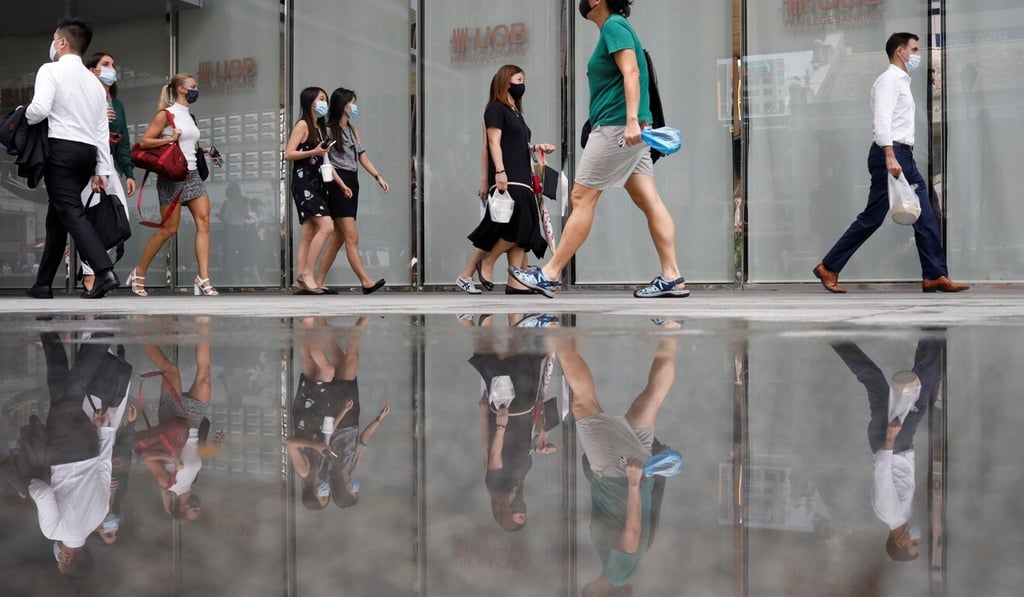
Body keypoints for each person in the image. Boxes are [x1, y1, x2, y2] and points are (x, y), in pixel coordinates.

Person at [510, 0, 688, 299]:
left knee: (581, 197)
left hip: (616, 129)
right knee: (649, 201)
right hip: (628, 129)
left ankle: (549, 274)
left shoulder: (614, 26)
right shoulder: (615, 28)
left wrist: (630, 122)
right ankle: (672, 276)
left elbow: (632, 72)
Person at [813, 33, 969, 294]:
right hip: (892, 153)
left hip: (902, 154)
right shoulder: (888, 81)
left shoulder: (902, 82)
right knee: (880, 216)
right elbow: (882, 121)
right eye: (914, 49)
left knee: (918, 212)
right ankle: (829, 266)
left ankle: (934, 274)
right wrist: (889, 155)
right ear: (900, 51)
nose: (918, 54)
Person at [556, 328, 678, 595]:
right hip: (618, 474)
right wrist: (633, 482)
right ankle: (554, 332)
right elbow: (632, 532)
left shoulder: (620, 571)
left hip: (633, 474)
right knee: (583, 404)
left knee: (651, 398)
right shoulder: (617, 574)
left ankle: (670, 328)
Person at [25, 17, 120, 299]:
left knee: (70, 211)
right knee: (58, 217)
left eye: (54, 39)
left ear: (63, 42)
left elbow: (39, 109)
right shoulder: (94, 83)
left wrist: (20, 115)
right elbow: (101, 130)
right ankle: (43, 284)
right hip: (87, 154)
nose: (52, 44)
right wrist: (101, 169)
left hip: (61, 150)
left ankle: (104, 272)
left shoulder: (50, 69)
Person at [831, 337, 943, 562]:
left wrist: (890, 438)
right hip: (895, 443)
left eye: (913, 543)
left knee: (921, 389)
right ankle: (836, 340)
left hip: (894, 442)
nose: (917, 539)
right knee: (874, 379)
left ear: (900, 542)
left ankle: (933, 332)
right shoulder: (901, 515)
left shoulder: (888, 512)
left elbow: (882, 474)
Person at [456, 65, 555, 295]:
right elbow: (491, 144)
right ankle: (488, 263)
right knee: (519, 224)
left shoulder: (516, 113)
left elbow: (517, 144)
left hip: (522, 175)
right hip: (508, 176)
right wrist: (497, 173)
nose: (522, 85)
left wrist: (537, 147)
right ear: (505, 82)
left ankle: (515, 281)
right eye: (519, 80)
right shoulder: (495, 109)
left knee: (512, 229)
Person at [126, 72, 222, 297]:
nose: (196, 90)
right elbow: (144, 142)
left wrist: (207, 150)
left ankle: (203, 278)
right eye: (193, 86)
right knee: (169, 229)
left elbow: (188, 146)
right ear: (181, 89)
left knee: (204, 221)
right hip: (172, 176)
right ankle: (139, 272)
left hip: (192, 174)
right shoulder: (166, 114)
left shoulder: (190, 116)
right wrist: (169, 138)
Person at [313, 87, 388, 295]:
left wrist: (378, 176)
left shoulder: (352, 130)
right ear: (342, 105)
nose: (355, 106)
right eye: (352, 102)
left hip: (352, 181)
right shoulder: (328, 130)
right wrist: (341, 185)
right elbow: (327, 162)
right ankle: (366, 281)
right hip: (338, 184)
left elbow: (362, 156)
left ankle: (318, 281)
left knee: (338, 237)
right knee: (352, 237)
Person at [79, 51, 135, 293]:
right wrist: (99, 116)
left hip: (110, 165)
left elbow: (123, 141)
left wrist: (129, 172)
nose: (112, 68)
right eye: (106, 64)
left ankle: (99, 267)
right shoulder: (84, 98)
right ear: (93, 71)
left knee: (118, 219)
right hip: (88, 164)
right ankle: (90, 274)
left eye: (113, 64)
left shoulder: (118, 104)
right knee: (91, 219)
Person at [283, 87, 334, 295]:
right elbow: (288, 153)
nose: (324, 103)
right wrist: (314, 151)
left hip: (317, 182)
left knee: (308, 232)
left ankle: (299, 280)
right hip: (303, 182)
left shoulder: (319, 127)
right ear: (310, 101)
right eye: (321, 99)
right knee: (327, 226)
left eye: (325, 99)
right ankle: (307, 274)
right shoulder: (303, 125)